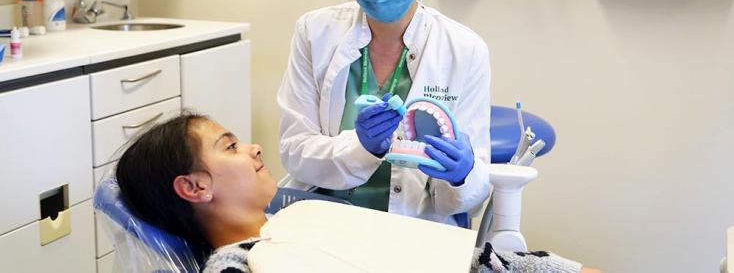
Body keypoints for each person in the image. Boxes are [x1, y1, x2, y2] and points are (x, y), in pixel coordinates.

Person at [114, 113, 599, 273]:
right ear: (194, 187)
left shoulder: (303, 217)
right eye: (231, 146)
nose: (253, 147)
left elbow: (475, 262)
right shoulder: (233, 263)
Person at [277, 0, 491, 227]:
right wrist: (361, 148)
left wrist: (463, 174)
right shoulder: (314, 32)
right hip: (322, 219)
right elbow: (294, 151)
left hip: (412, 228)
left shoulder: (463, 49)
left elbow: (468, 198)